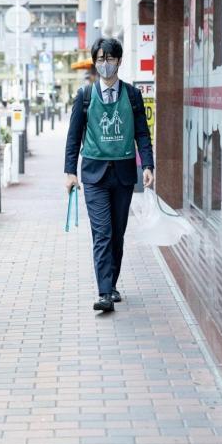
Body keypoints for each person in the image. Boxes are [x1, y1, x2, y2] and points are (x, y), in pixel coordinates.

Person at [64, 37, 155, 312]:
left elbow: (142, 133)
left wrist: (148, 165)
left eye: (110, 58)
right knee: (102, 233)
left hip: (124, 174)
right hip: (94, 175)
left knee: (117, 234)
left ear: (119, 61)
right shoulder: (85, 96)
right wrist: (70, 172)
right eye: (100, 59)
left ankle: (112, 284)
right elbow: (73, 136)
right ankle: (104, 292)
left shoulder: (133, 95)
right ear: (95, 62)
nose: (105, 64)